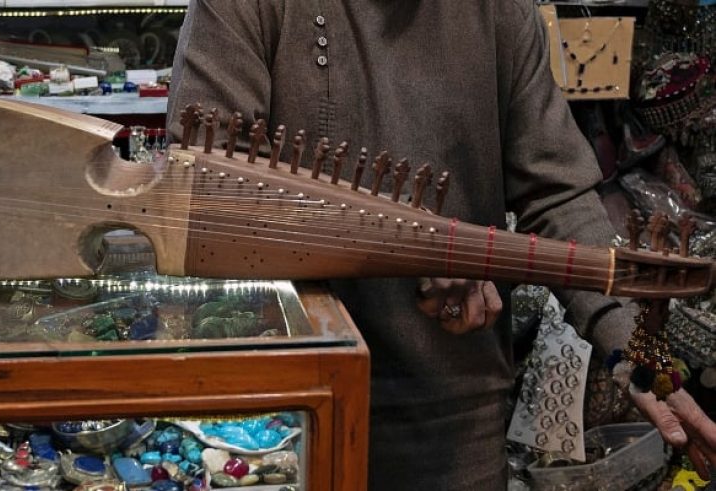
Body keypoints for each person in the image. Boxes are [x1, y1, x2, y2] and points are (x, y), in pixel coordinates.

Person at [166, 1, 716, 488]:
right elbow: (206, 198)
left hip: (454, 411)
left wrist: (630, 344)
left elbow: (557, 193)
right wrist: (410, 250)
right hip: (284, 411)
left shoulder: (499, 13)